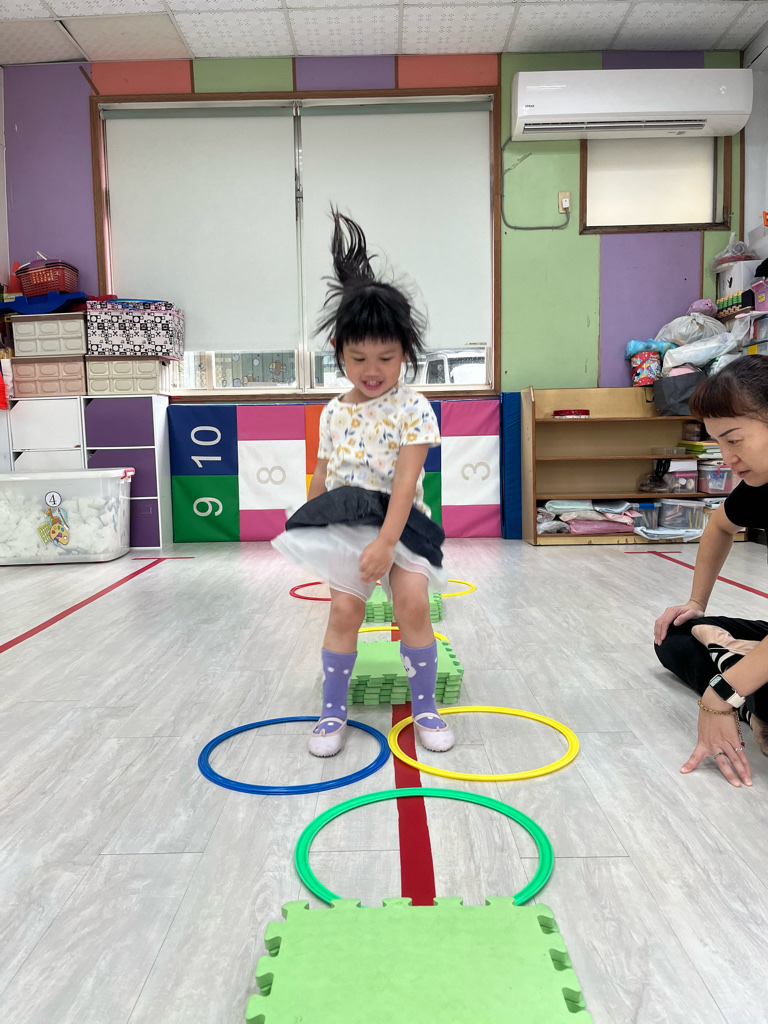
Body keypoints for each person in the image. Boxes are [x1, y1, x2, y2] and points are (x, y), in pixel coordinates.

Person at [272, 210, 454, 758]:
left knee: (412, 605)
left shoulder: (414, 408)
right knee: (345, 612)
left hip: (400, 524)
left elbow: (405, 486)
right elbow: (322, 475)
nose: (372, 369)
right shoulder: (333, 412)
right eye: (358, 358)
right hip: (348, 524)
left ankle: (426, 707)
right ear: (338, 349)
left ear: (406, 352)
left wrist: (386, 543)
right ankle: (332, 712)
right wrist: (315, 525)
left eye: (386, 358)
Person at [655, 356, 768, 788]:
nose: (726, 457)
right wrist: (696, 602)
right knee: (675, 636)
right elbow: (720, 526)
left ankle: (747, 693)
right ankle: (753, 701)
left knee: (739, 685)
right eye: (718, 442)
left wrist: (720, 695)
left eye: (734, 440)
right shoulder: (758, 484)